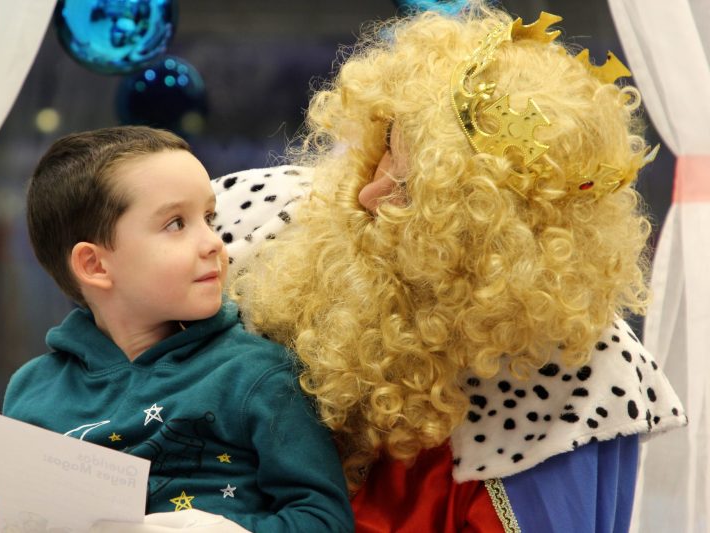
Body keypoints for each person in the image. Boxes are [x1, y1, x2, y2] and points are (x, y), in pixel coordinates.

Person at [219, 4, 687, 531]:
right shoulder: (253, 222)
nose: (368, 195)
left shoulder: (575, 377)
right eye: (388, 145)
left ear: (495, 252)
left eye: (412, 196)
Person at [0, 126, 353, 533]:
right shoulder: (34, 389)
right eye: (176, 224)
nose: (213, 243)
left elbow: (324, 520)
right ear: (94, 265)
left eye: (209, 218)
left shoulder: (260, 375)